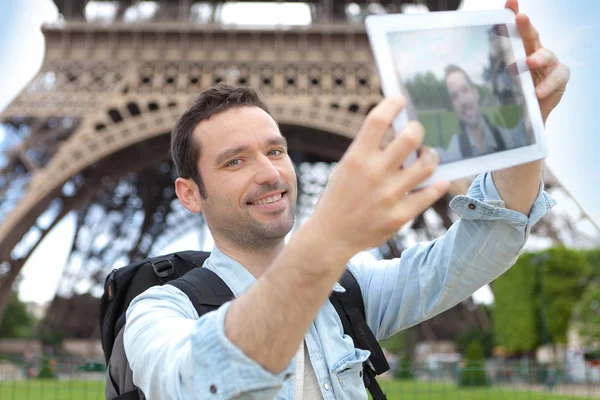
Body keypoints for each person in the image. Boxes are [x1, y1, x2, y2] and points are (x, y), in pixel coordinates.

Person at [123, 1, 570, 398]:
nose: (269, 172)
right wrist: (327, 237)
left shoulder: (348, 292)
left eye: (275, 151)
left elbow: (485, 242)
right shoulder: (159, 310)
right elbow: (194, 381)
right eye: (235, 162)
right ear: (189, 194)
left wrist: (523, 130)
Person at [438, 64, 530, 164]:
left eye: (465, 90)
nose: (462, 101)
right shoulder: (454, 152)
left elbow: (529, 125)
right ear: (453, 105)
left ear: (475, 93)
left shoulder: (507, 138)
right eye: (455, 96)